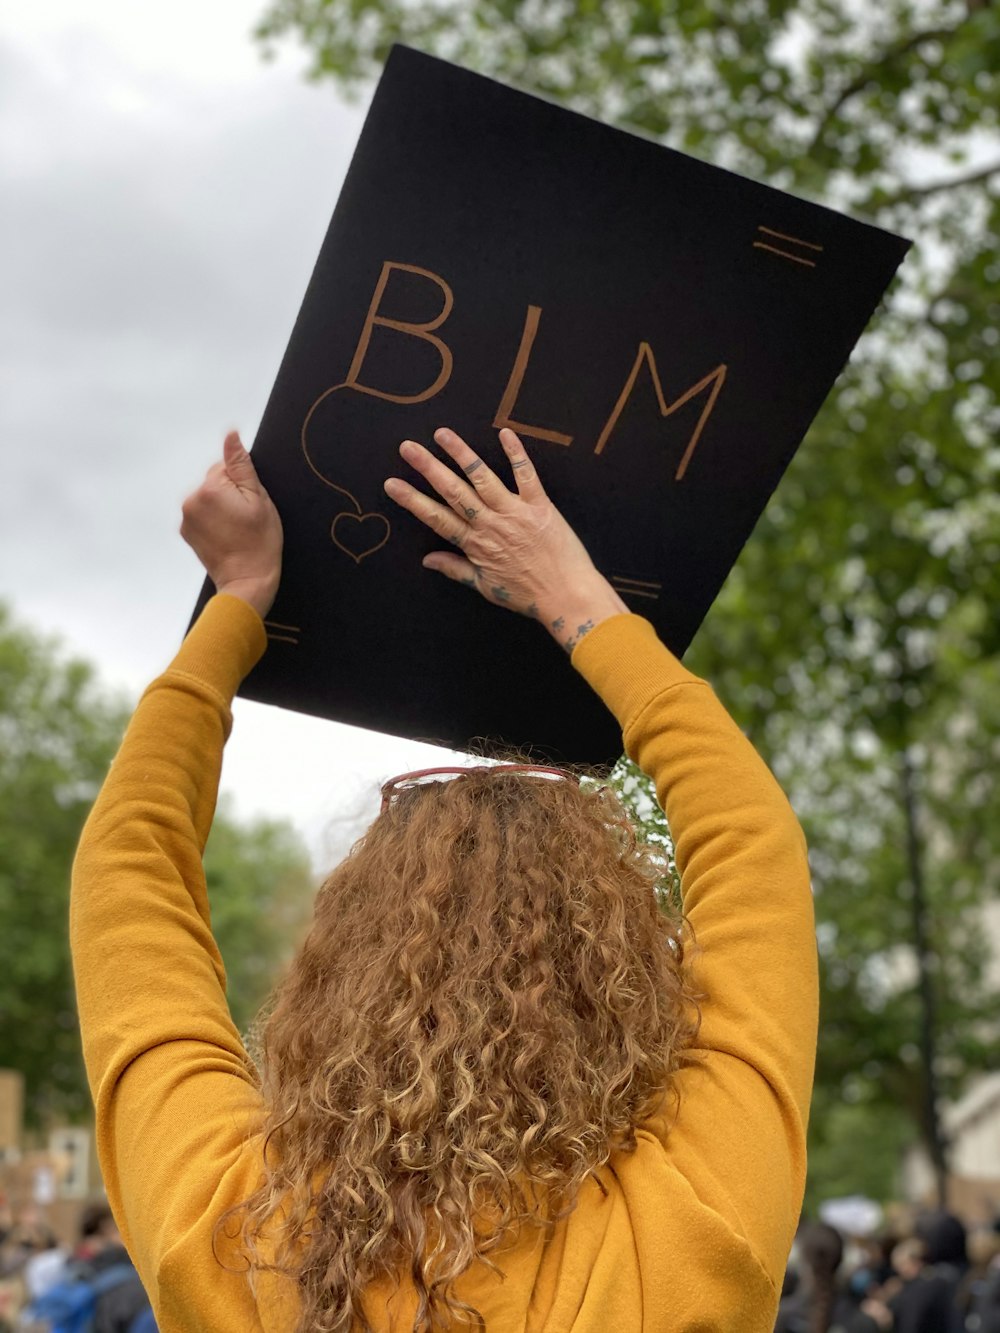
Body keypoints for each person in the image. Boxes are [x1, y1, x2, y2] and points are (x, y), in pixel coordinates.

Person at [70, 425, 820, 1331]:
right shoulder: (689, 1225)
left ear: (339, 974)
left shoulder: (233, 1229)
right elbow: (756, 851)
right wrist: (576, 599)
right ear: (612, 981)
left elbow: (126, 879)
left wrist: (235, 601)